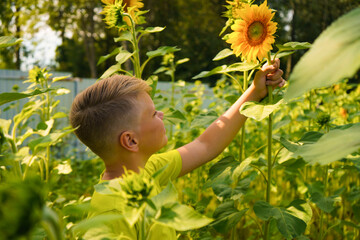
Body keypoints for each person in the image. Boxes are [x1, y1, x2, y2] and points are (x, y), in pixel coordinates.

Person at [69, 59, 285, 239]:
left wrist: (255, 91)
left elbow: (205, 145)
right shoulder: (110, 215)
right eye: (153, 114)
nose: (161, 114)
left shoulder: (145, 170)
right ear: (131, 141)